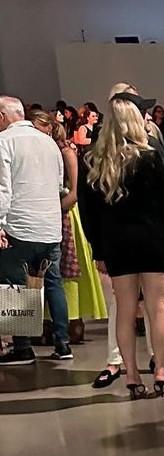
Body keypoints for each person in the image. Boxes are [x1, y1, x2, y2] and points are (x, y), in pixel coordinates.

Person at [77, 91, 164, 398]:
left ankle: (132, 377)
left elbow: (89, 214)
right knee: (158, 308)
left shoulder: (94, 161)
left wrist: (98, 249)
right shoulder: (150, 155)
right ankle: (161, 372)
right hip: (153, 239)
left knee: (124, 310)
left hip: (116, 243)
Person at [0, 97, 72, 365]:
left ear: (2, 116)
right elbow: (57, 184)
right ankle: (63, 343)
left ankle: (23, 347)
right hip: (50, 225)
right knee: (53, 283)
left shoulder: (4, 142)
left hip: (19, 224)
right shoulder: (49, 142)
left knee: (16, 285)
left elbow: (3, 188)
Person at [27, 110, 106, 346]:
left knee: (66, 273)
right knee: (43, 275)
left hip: (64, 217)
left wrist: (52, 209)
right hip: (42, 218)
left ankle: (69, 327)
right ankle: (42, 329)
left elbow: (74, 194)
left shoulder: (66, 152)